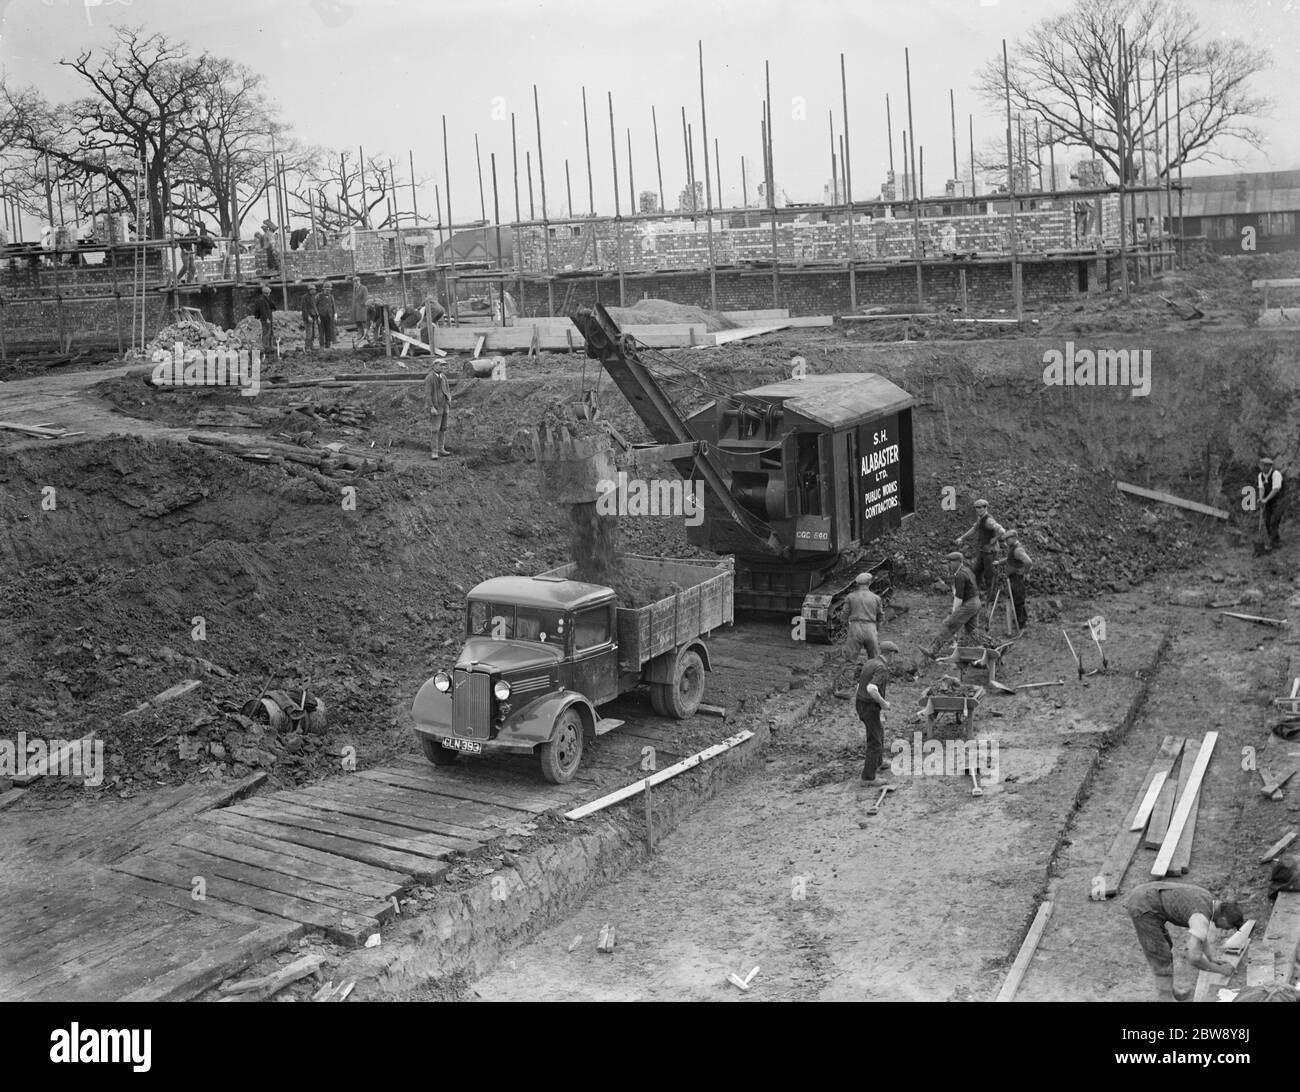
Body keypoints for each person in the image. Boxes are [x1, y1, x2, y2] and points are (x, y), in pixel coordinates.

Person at [1124, 881, 1244, 1001]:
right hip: (1143, 906)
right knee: (1160, 954)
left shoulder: (1208, 900)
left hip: (1149, 894)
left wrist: (1211, 958)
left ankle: (1170, 989)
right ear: (1223, 918)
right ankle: (1165, 998)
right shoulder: (1200, 917)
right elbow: (1193, 957)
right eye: (1229, 926)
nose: (1227, 929)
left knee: (1166, 945)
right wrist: (1219, 970)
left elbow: (1202, 935)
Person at [855, 641, 900, 787]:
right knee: (875, 741)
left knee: (878, 732)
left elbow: (859, 685)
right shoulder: (882, 668)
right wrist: (883, 704)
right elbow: (871, 688)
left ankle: (878, 762)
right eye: (894, 655)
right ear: (890, 654)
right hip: (869, 706)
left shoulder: (871, 662)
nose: (894, 659)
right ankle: (868, 777)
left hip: (861, 703)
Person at [927, 550, 981, 658]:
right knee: (972, 630)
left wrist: (954, 613)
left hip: (968, 603)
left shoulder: (960, 575)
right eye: (948, 562)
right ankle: (984, 647)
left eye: (951, 562)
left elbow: (959, 598)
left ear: (958, 562)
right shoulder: (967, 570)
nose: (948, 565)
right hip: (976, 602)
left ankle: (932, 651)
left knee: (948, 624)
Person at [956, 498, 1006, 600]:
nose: (978, 509)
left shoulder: (988, 520)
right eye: (976, 508)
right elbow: (974, 529)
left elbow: (1002, 530)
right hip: (983, 551)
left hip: (991, 553)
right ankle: (974, 595)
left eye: (981, 507)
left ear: (985, 507)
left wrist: (995, 539)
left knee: (990, 576)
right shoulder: (981, 519)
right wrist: (962, 537)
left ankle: (990, 600)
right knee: (975, 572)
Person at [843, 571, 883, 662]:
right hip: (871, 628)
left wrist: (848, 625)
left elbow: (844, 614)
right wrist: (876, 629)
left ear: (857, 583)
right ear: (869, 583)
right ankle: (871, 674)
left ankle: (848, 675)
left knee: (850, 660)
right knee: (874, 660)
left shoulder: (850, 596)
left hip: (855, 627)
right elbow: (880, 616)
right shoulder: (876, 598)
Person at [1000, 530, 1033, 631]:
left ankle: (1021, 622)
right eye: (1005, 539)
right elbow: (1010, 558)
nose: (1006, 541)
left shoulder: (1018, 550)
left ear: (1014, 538)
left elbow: (1028, 562)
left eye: (1007, 539)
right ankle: (1020, 619)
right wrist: (1000, 562)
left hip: (1017, 578)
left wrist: (1025, 572)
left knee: (1018, 600)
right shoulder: (1012, 548)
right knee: (1016, 599)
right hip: (1013, 578)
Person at [1257, 456, 1285, 551]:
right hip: (1268, 502)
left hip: (1279, 500)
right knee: (1267, 522)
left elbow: (1276, 489)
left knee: (1274, 521)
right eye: (1262, 466)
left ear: (1269, 466)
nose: (1263, 468)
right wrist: (1261, 499)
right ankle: (1272, 541)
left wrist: (1266, 499)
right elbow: (1261, 488)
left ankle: (1274, 543)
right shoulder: (1260, 475)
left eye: (1265, 466)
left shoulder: (1276, 474)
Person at [424, 365, 452, 459]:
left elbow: (447, 390)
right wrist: (431, 407)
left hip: (444, 406)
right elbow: (428, 394)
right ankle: (434, 452)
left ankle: (441, 449)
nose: (443, 367)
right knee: (435, 430)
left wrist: (448, 401)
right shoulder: (429, 378)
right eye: (440, 365)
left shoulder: (443, 377)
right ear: (434, 366)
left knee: (443, 428)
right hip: (436, 407)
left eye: (444, 365)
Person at [251, 285, 275, 355]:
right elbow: (263, 310)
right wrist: (266, 318)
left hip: (269, 318)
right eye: (269, 293)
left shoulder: (267, 299)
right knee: (266, 333)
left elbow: (270, 308)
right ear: (266, 293)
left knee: (270, 333)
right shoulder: (262, 300)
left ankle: (270, 347)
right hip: (265, 319)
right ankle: (265, 347)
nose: (269, 294)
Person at [316, 282, 337, 348]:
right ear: (323, 289)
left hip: (329, 316)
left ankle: (328, 345)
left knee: (328, 330)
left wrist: (335, 314)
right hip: (321, 317)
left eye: (329, 290)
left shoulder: (331, 296)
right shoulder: (318, 296)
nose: (328, 291)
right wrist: (317, 316)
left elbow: (333, 306)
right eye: (326, 290)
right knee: (321, 331)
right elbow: (315, 306)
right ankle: (322, 345)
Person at [301, 284, 320, 351]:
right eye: (313, 290)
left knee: (313, 333)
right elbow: (304, 308)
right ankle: (307, 347)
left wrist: (317, 316)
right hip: (308, 318)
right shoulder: (305, 297)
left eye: (315, 290)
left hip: (313, 317)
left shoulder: (313, 297)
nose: (315, 291)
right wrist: (308, 316)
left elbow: (315, 307)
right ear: (310, 290)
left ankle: (311, 346)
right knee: (309, 333)